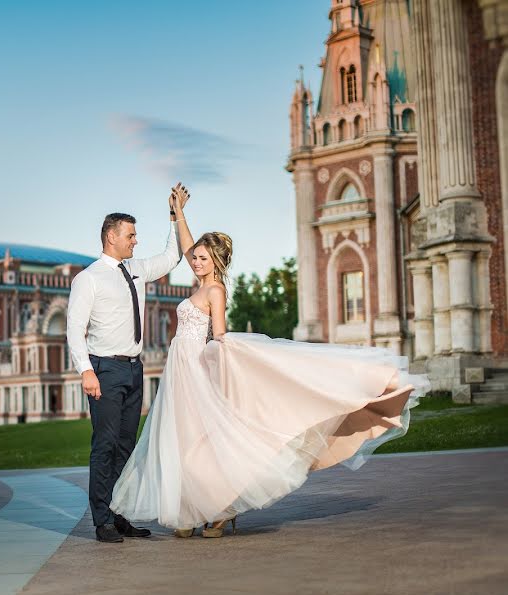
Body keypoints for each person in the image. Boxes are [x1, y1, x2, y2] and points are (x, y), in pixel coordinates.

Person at [109, 188, 430, 538]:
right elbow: (187, 246)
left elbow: (220, 336)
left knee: (208, 439)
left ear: (215, 262)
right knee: (184, 441)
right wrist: (178, 213)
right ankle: (191, 508)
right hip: (179, 371)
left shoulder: (215, 290)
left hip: (197, 368)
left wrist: (224, 369)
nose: (195, 262)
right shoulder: (199, 280)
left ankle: (220, 509)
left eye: (202, 258)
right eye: (195, 258)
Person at [66, 184, 189, 543]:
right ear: (111, 236)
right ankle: (101, 520)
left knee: (125, 446)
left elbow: (172, 257)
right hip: (104, 370)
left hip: (134, 370)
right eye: (131, 235)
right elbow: (75, 329)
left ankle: (121, 515)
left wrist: (174, 215)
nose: (136, 241)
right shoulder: (87, 279)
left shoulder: (136, 269)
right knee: (104, 446)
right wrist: (86, 371)